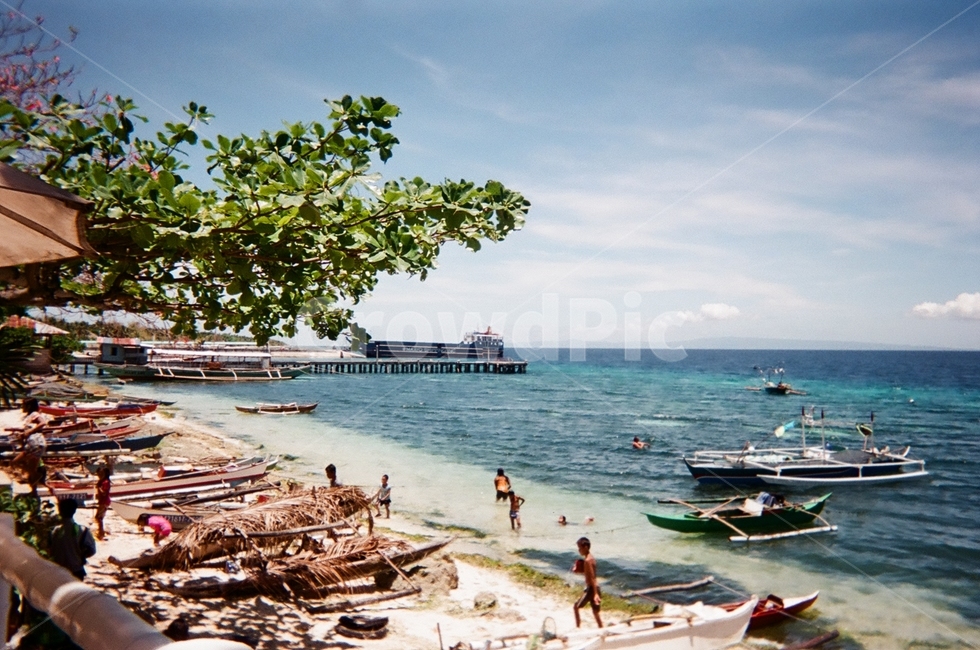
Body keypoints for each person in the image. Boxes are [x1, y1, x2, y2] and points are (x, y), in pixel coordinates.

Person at [48, 499, 97, 580]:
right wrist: (80, 555)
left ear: (60, 510)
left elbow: (49, 550)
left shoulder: (54, 531)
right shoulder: (82, 530)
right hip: (76, 570)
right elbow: (92, 550)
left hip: (58, 572)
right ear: (74, 511)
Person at [572, 536, 602, 628]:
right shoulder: (590, 559)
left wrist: (595, 594)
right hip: (595, 588)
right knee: (595, 612)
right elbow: (589, 573)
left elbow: (593, 577)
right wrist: (579, 570)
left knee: (576, 607)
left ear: (585, 547)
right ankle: (601, 627)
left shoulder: (588, 560)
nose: (579, 550)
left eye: (580, 548)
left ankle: (578, 627)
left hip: (591, 589)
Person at [93, 466, 112, 540]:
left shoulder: (106, 482)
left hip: (104, 501)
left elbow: (104, 493)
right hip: (102, 501)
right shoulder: (102, 482)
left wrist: (99, 488)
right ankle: (101, 531)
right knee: (99, 517)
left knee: (99, 517)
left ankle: (101, 533)